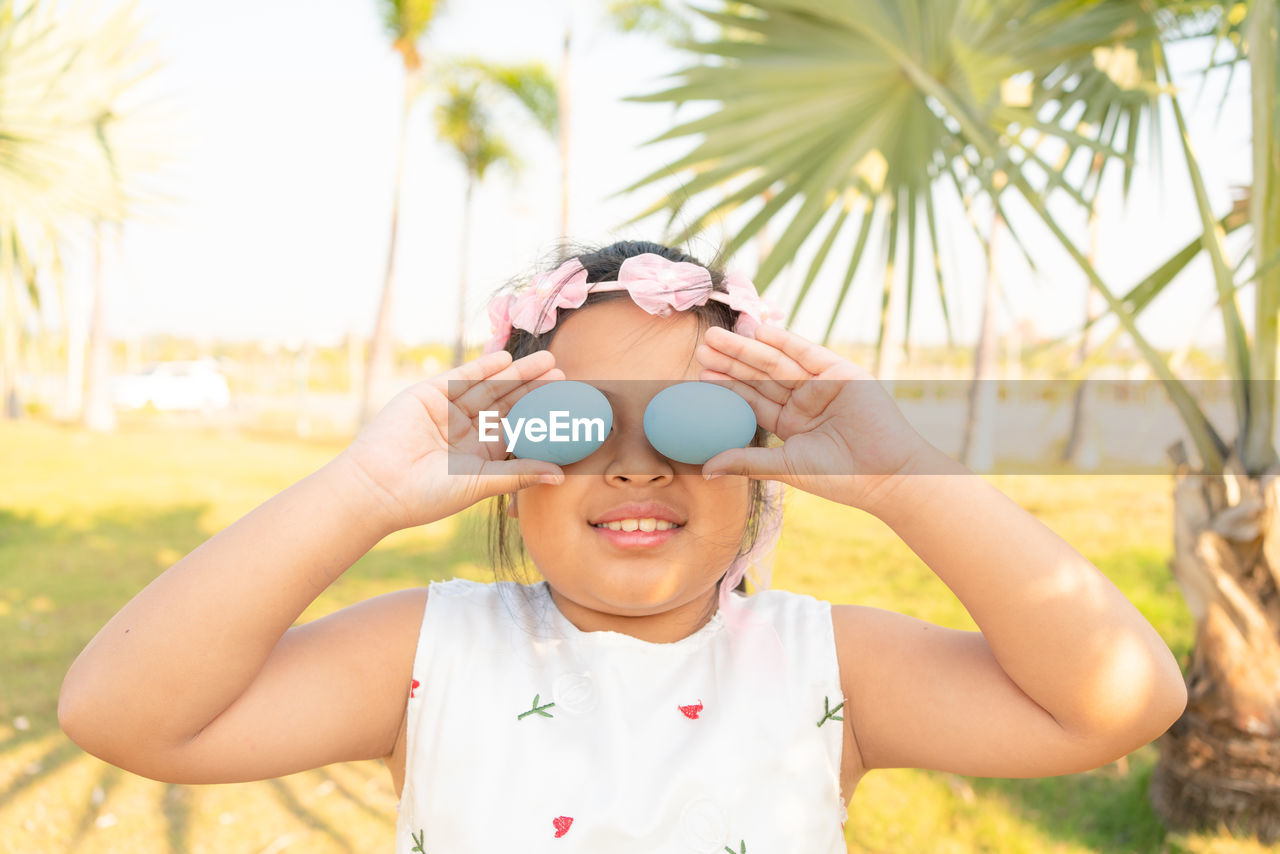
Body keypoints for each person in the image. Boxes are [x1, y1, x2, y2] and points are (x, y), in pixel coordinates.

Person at [58, 240, 1188, 852]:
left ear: (760, 475)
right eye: (581, 421)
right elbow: (122, 712)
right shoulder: (430, 651)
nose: (638, 465)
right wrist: (356, 491)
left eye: (694, 424)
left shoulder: (823, 667)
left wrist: (903, 481)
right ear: (507, 470)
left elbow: (1118, 701)